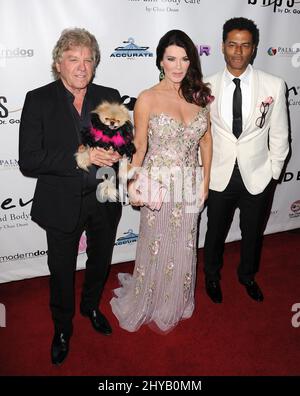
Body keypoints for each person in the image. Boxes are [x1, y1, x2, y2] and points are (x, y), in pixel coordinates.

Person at [19, 28, 122, 365]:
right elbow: (30, 159)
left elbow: (121, 142)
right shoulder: (38, 99)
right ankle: (62, 328)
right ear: (57, 64)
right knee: (61, 270)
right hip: (61, 201)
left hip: (104, 197)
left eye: (88, 59)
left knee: (100, 261)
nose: (82, 66)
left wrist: (119, 154)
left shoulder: (109, 95)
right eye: (73, 59)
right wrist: (83, 157)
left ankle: (91, 306)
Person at [110, 30, 212, 333]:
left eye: (184, 59)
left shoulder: (200, 96)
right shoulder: (147, 98)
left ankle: (176, 300)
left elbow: (206, 143)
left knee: (184, 245)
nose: (178, 66)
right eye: (171, 59)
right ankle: (150, 299)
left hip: (190, 185)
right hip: (159, 186)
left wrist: (205, 182)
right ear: (161, 61)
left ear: (191, 61)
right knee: (156, 246)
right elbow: (139, 146)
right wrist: (131, 184)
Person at [203, 17, 289, 304]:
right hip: (218, 174)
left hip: (258, 174)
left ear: (253, 48)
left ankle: (247, 275)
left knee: (253, 233)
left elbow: (279, 134)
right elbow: (201, 135)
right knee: (215, 231)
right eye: (232, 44)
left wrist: (273, 173)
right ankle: (212, 276)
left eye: (245, 45)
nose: (237, 52)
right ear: (222, 47)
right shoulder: (205, 87)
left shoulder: (274, 85)